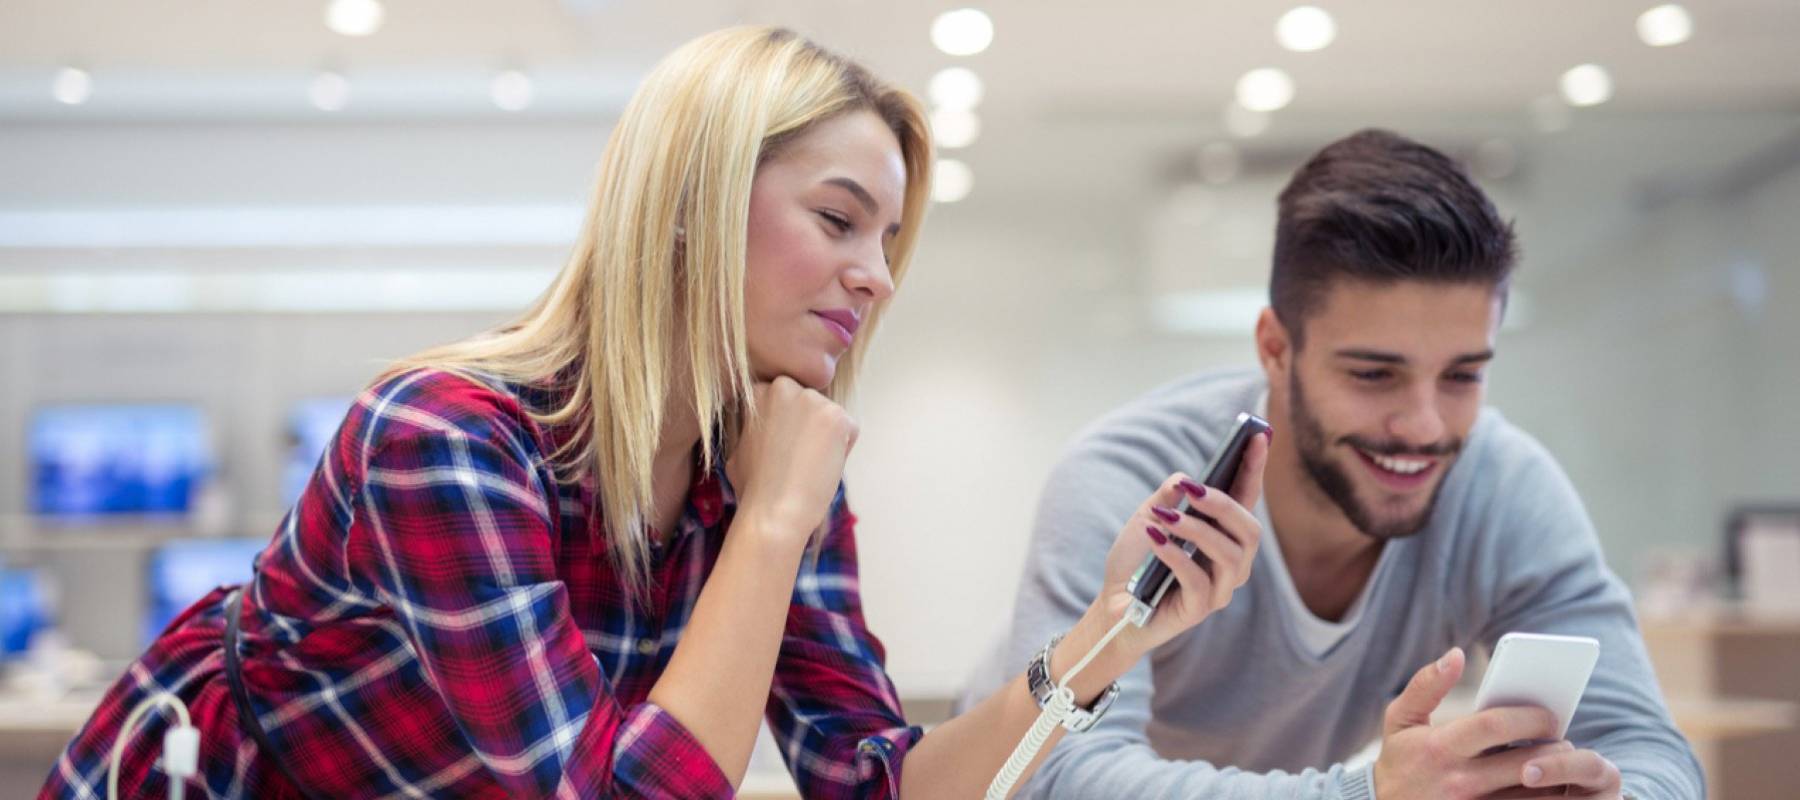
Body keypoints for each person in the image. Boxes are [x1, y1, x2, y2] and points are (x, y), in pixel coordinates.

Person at [42, 27, 1268, 799]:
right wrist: (773, 525)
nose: (879, 275)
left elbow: (875, 780)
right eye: (839, 219)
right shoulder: (443, 437)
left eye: (888, 238)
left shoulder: (774, 467)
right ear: (690, 205)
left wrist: (1107, 637)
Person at [958, 129, 1703, 800]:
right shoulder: (1134, 478)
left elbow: (1651, 749)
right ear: (1276, 349)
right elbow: (1051, 773)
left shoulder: (1501, 485)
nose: (1424, 425)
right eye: (1374, 375)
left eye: (1463, 375)